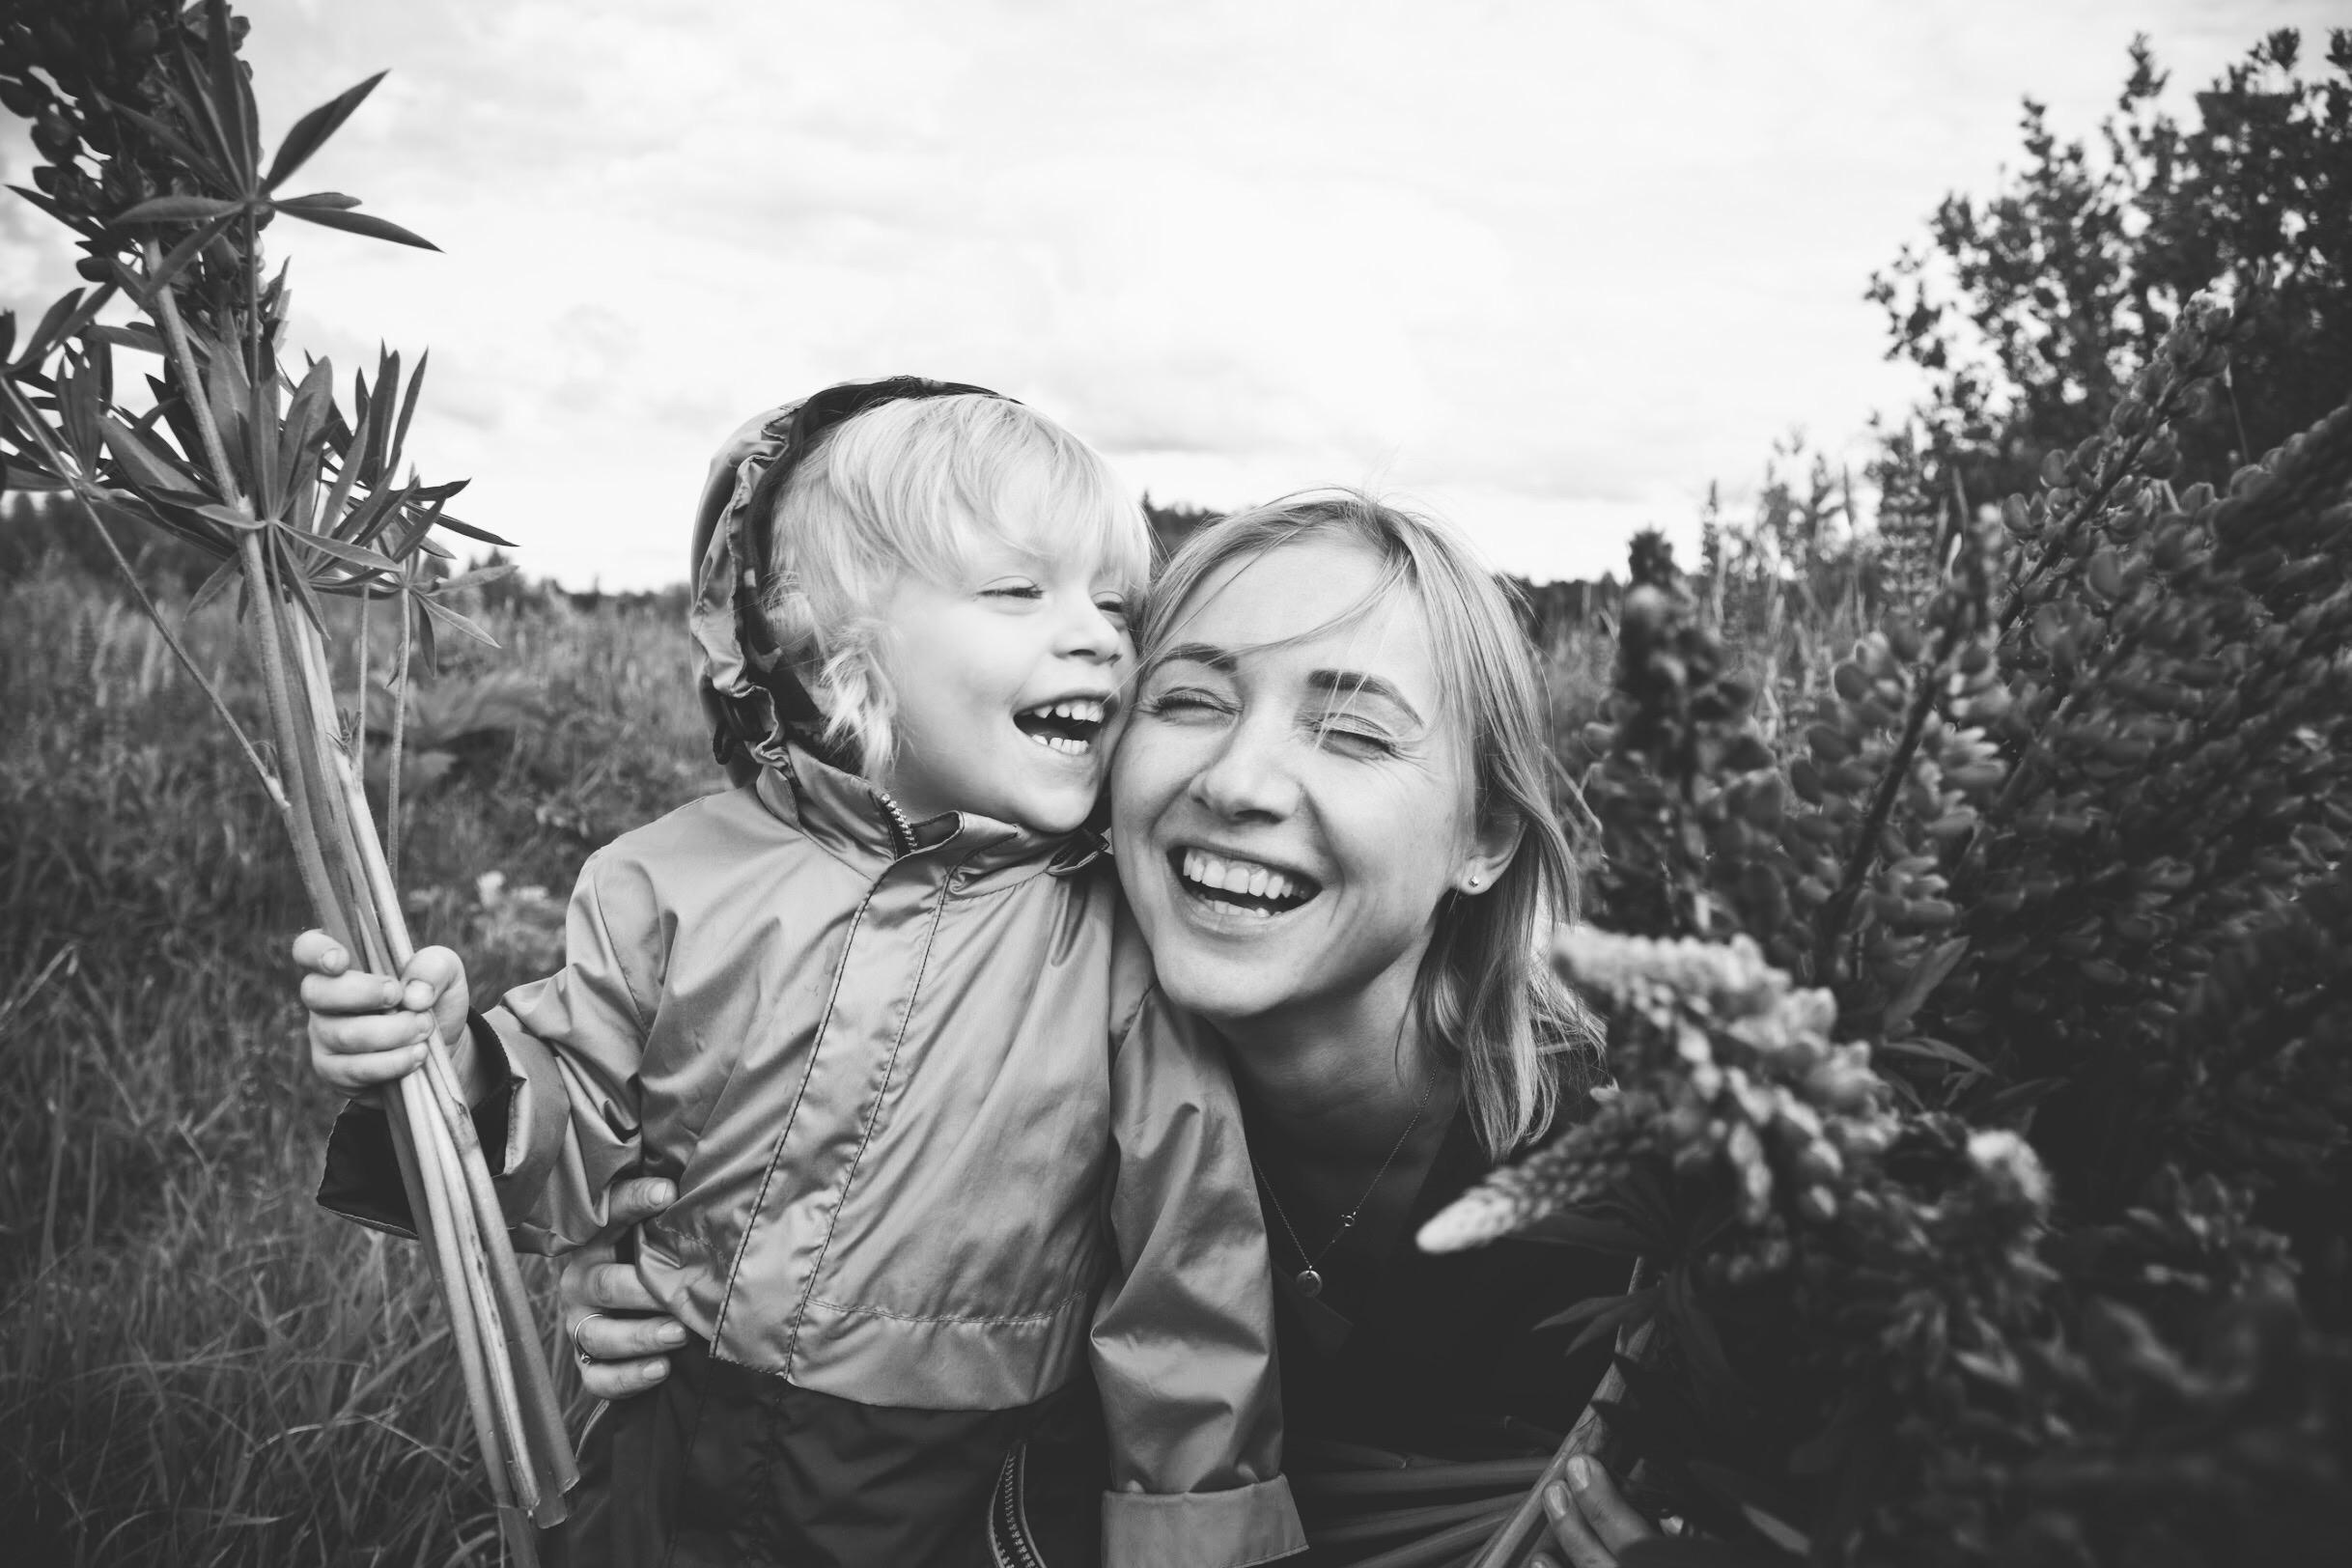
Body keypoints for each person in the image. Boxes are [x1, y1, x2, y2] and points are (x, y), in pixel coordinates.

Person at [296, 380, 1304, 1568]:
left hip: (958, 1488)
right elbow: (575, 1114)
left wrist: (1199, 1536)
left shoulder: (1121, 950)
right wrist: (457, 1067)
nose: (1097, 636)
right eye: (1018, 591)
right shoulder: (664, 880)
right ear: (830, 634)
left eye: (1116, 604)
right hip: (672, 1440)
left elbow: (1187, 1292)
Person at [566, 491, 1666, 1565]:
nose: (1238, 781)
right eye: (1189, 701)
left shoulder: (1650, 1188)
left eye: (1351, 731)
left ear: (1485, 838)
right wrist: (671, 1282)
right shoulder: (1001, 1051)